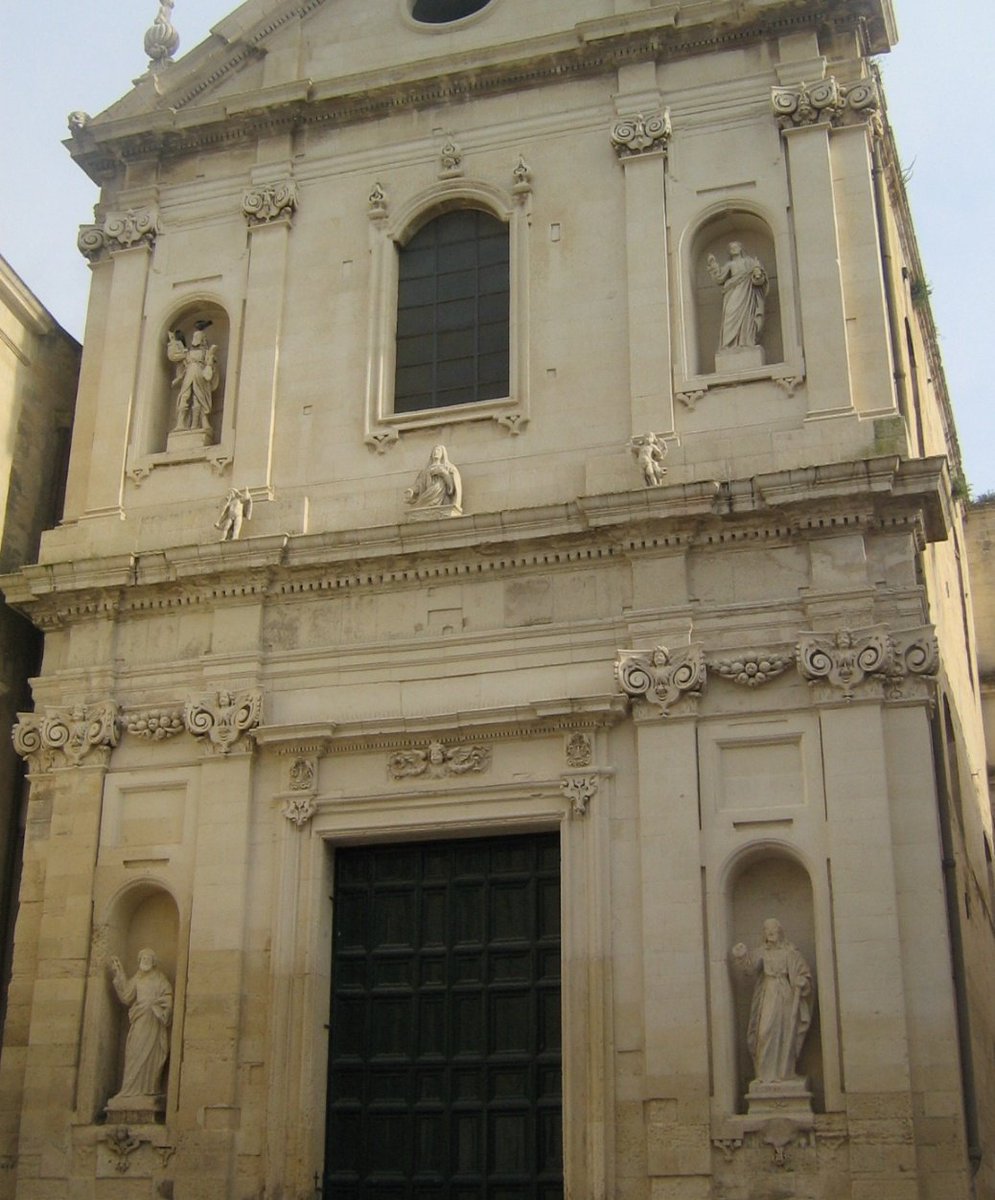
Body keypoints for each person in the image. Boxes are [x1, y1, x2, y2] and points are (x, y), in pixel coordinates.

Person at [731, 918, 813, 1084]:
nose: (771, 932)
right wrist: (741, 955)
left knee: (784, 1031)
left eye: (774, 929)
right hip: (768, 992)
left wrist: (802, 981)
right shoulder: (762, 952)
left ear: (780, 932)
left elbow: (804, 973)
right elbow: (750, 968)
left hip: (786, 993)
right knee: (765, 1031)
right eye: (767, 930)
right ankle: (765, 1074)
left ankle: (785, 1073)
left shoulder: (790, 952)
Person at [108, 949, 173, 1100]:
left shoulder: (160, 980)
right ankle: (130, 1089)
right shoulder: (137, 979)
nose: (146, 960)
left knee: (151, 1054)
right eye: (143, 957)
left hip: (154, 1021)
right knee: (134, 1051)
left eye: (149, 958)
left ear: (153, 961)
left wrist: (160, 1007)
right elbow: (125, 996)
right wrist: (119, 973)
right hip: (140, 1020)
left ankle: (149, 1088)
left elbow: (168, 997)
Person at [707, 241, 769, 351]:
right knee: (730, 315)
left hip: (747, 293)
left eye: (736, 246)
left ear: (741, 248)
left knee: (747, 316)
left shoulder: (750, 262)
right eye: (731, 247)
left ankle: (745, 342)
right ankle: (728, 344)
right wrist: (713, 266)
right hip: (733, 292)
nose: (733, 249)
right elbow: (720, 278)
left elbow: (759, 280)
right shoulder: (729, 265)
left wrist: (758, 275)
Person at [167, 323, 219, 433]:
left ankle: (196, 425)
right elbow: (173, 356)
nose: (196, 339)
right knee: (184, 397)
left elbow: (210, 367)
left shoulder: (206, 353)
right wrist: (172, 341)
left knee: (198, 399)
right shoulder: (187, 352)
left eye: (198, 337)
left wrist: (210, 363)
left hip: (200, 376)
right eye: (195, 337)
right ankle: (181, 424)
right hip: (188, 375)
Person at [405, 445, 462, 511]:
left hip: (439, 493)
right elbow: (419, 484)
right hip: (428, 494)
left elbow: (452, 486)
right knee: (417, 507)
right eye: (434, 451)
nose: (436, 452)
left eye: (438, 450)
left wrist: (444, 474)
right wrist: (411, 491)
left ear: (443, 454)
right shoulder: (426, 470)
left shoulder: (447, 467)